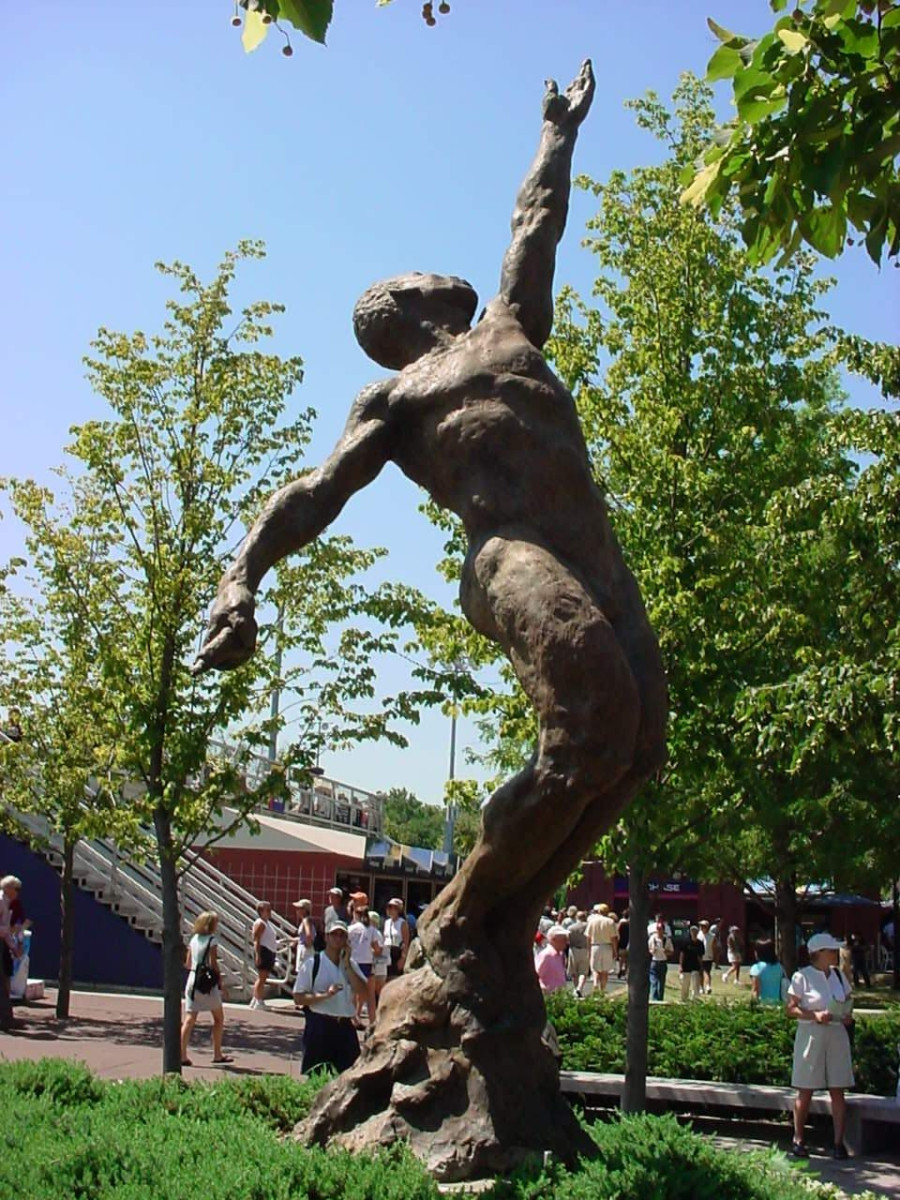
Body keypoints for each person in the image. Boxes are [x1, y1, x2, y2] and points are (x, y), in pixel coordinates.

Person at [191, 61, 668, 1032]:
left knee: (635, 749)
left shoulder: (512, 326)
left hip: (596, 561)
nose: (436, 270)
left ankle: (498, 923)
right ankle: (452, 924)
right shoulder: (398, 397)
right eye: (415, 276)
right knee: (589, 721)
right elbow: (315, 495)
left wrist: (557, 132)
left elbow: (535, 222)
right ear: (400, 313)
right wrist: (241, 576)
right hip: (511, 560)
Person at [786, 931, 855, 1160]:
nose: (835, 954)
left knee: (838, 1088)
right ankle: (798, 1139)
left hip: (836, 1034)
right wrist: (814, 1015)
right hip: (812, 1034)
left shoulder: (838, 975)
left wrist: (846, 1016)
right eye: (831, 951)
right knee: (805, 1088)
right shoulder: (802, 977)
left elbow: (847, 1002)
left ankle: (838, 1143)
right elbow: (791, 1008)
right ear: (819, 953)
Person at [293, 920, 369, 1074]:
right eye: (334, 934)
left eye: (342, 935)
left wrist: (347, 964)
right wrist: (325, 995)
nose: (338, 938)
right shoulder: (312, 963)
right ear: (326, 937)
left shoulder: (351, 965)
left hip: (344, 1027)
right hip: (320, 1025)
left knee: (350, 1077)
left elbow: (364, 991)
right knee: (316, 1076)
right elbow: (298, 997)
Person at [181, 911, 232, 1066]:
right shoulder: (212, 940)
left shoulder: (193, 939)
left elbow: (188, 964)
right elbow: (213, 963)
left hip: (192, 980)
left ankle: (181, 1054)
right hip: (206, 983)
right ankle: (217, 1054)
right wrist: (220, 983)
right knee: (218, 1018)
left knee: (189, 1019)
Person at [347, 904, 382, 1029]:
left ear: (356, 914)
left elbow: (345, 945)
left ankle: (352, 1018)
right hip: (367, 963)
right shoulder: (371, 929)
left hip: (353, 962)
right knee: (370, 995)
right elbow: (377, 949)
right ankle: (373, 1022)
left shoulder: (351, 929)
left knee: (352, 993)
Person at [0, 876, 24, 1031]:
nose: (18, 893)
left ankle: (6, 1018)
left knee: (3, 981)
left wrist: (14, 948)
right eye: (17, 889)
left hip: (2, 942)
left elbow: (6, 930)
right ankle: (6, 1019)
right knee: (2, 982)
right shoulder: (1, 901)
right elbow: (4, 929)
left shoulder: (7, 903)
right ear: (9, 888)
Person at [250, 900, 278, 1011]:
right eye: (268, 910)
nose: (270, 912)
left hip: (269, 951)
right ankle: (258, 1000)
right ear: (261, 911)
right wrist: (258, 955)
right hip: (264, 951)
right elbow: (256, 940)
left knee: (263, 977)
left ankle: (255, 998)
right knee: (262, 978)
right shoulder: (260, 923)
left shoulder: (267, 923)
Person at [585, 902, 618, 996]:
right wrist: (615, 951)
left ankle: (595, 983)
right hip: (607, 946)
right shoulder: (610, 922)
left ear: (599, 911)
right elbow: (614, 938)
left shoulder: (592, 921)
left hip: (595, 945)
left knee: (595, 969)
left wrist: (589, 949)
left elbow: (588, 937)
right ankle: (602, 990)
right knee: (605, 970)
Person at [749, 938, 786, 1005]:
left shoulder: (756, 968)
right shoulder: (779, 967)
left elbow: (755, 990)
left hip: (763, 1005)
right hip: (777, 1004)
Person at [534, 925, 569, 994]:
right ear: (553, 939)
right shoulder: (546, 955)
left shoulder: (560, 954)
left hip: (560, 994)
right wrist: (544, 989)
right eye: (564, 939)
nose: (567, 942)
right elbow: (536, 975)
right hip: (550, 995)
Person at [381, 897, 410, 979]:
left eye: (391, 907)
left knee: (394, 977)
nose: (388, 909)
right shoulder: (386, 923)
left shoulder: (402, 923)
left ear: (397, 910)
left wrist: (403, 958)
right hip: (387, 952)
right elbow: (384, 938)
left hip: (396, 953)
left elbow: (406, 942)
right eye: (388, 907)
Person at [648, 918, 673, 1002]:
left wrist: (666, 952)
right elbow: (649, 950)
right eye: (657, 929)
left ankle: (660, 999)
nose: (659, 931)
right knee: (653, 982)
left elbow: (671, 951)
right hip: (654, 962)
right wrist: (652, 950)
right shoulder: (652, 938)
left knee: (661, 983)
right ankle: (654, 1000)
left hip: (663, 962)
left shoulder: (667, 940)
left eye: (660, 929)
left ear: (663, 930)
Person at [566, 910, 589, 997]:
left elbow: (567, 940)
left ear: (576, 917)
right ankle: (580, 988)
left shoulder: (571, 928)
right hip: (585, 949)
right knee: (583, 971)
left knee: (574, 972)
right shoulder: (588, 926)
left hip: (573, 949)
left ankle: (576, 989)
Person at [678, 925, 703, 1002]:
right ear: (690, 932)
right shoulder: (686, 942)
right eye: (692, 931)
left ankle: (695, 999)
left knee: (695, 983)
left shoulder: (700, 943)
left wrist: (701, 966)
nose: (694, 933)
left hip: (695, 966)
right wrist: (680, 965)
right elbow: (682, 954)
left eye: (695, 931)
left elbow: (700, 956)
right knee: (685, 983)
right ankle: (684, 999)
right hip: (686, 965)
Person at [292, 898, 316, 973]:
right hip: (305, 948)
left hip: (305, 949)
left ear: (305, 910)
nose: (297, 911)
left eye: (299, 908)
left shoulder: (306, 920)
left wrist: (307, 945)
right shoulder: (307, 920)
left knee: (303, 971)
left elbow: (308, 935)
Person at [616, 908, 630, 979]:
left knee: (621, 958)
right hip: (630, 944)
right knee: (628, 960)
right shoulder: (634, 925)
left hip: (622, 944)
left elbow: (617, 934)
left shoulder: (621, 924)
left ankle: (620, 969)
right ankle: (626, 972)